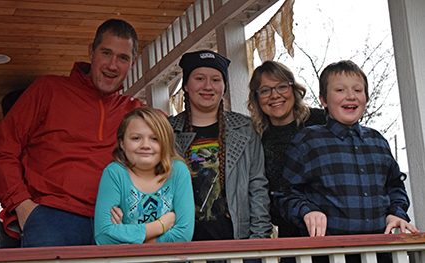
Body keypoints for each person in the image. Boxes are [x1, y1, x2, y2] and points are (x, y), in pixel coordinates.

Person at [0, 19, 147, 247]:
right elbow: (1, 150)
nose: (113, 65)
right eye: (106, 53)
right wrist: (22, 205)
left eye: (123, 58)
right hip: (53, 217)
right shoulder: (48, 90)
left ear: (133, 62)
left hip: (116, 223)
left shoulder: (137, 111)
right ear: (91, 52)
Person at [274, 60, 419, 263]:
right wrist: (308, 211)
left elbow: (394, 186)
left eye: (358, 90)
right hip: (325, 255)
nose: (350, 96)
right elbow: (284, 193)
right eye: (340, 90)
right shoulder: (308, 141)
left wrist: (396, 213)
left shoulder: (377, 141)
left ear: (365, 97)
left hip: (377, 254)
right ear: (323, 99)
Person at [168, 50, 272, 242]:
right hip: (182, 245)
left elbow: (257, 187)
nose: (208, 86)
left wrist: (259, 240)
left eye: (216, 80)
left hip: (235, 243)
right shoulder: (167, 131)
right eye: (199, 78)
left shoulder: (245, 129)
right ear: (186, 86)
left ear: (224, 87)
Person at [247, 61, 326, 239]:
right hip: (290, 234)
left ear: (293, 89)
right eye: (265, 90)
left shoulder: (321, 122)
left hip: (333, 228)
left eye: (281, 87)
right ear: (256, 97)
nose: (274, 95)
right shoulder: (256, 139)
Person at [94, 107, 194, 244]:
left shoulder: (178, 171)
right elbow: (104, 236)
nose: (145, 145)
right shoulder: (114, 173)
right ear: (122, 143)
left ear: (166, 143)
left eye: (155, 139)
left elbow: (183, 236)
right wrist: (160, 226)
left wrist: (127, 236)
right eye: (136, 138)